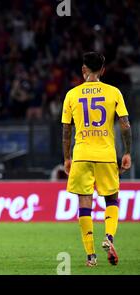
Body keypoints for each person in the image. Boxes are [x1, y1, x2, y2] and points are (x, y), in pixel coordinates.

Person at [62, 52, 132, 267]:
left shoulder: (72, 94)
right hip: (106, 155)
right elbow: (125, 125)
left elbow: (66, 130)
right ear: (103, 70)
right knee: (111, 199)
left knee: (85, 202)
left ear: (84, 69)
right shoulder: (114, 92)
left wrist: (67, 157)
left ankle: (91, 255)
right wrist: (127, 152)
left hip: (82, 155)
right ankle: (108, 238)